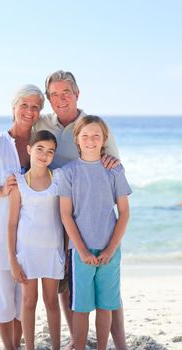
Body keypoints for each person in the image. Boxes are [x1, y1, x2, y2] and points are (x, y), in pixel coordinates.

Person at [0, 70, 125, 349]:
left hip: (93, 218)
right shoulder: (43, 121)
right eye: (54, 94)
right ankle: (72, 339)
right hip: (61, 216)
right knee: (63, 282)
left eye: (65, 92)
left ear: (77, 94)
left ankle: (120, 344)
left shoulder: (92, 126)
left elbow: (113, 166)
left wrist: (110, 168)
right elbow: (20, 131)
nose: (60, 99)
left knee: (107, 287)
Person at [0, 84, 45, 350]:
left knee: (22, 299)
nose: (29, 111)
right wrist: (1, 190)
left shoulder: (41, 145)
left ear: (40, 113)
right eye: (24, 105)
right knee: (3, 299)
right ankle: (10, 347)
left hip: (28, 236)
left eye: (35, 106)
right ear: (13, 107)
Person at [59, 115, 132, 350]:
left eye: (96, 136)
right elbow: (65, 215)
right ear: (77, 140)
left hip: (110, 250)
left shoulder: (114, 170)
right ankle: (78, 345)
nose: (91, 140)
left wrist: (111, 248)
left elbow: (124, 213)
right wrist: (80, 251)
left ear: (104, 139)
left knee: (106, 305)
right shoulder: (68, 172)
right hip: (80, 251)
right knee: (81, 306)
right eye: (85, 136)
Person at [8, 130, 65, 350]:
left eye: (50, 151)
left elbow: (65, 216)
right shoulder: (19, 182)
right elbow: (12, 223)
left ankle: (56, 347)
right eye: (40, 148)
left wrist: (67, 252)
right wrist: (12, 260)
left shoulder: (59, 178)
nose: (44, 154)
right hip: (27, 252)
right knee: (29, 301)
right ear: (29, 149)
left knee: (51, 302)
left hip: (53, 250)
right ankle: (29, 347)